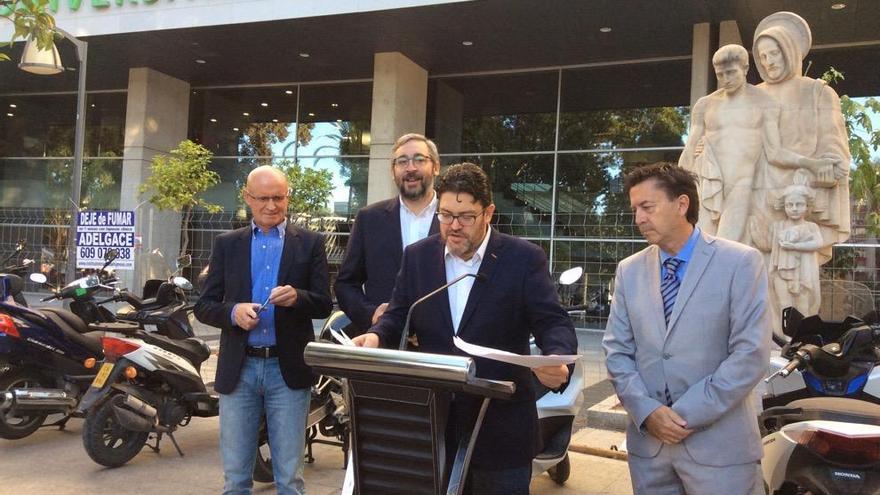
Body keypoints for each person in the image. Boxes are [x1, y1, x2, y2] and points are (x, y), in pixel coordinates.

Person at [352, 163, 578, 494]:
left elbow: (552, 319)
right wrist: (375, 336)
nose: (454, 226)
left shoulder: (523, 258)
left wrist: (556, 357)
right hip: (434, 423)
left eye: (465, 217)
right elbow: (399, 314)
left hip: (500, 425)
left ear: (488, 213)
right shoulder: (418, 257)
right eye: (445, 215)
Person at [603, 162, 771, 494]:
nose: (638, 218)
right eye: (635, 209)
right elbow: (616, 351)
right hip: (649, 451)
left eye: (647, 207)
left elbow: (750, 354)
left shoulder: (740, 262)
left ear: (682, 204)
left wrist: (683, 416)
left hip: (720, 452)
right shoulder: (629, 270)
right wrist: (648, 413)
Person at [194, 165, 332, 495]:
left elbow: (324, 304)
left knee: (289, 478)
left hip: (287, 370)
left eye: (278, 198)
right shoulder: (228, 244)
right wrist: (233, 312)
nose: (271, 206)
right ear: (247, 198)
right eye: (263, 198)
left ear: (288, 197)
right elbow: (204, 305)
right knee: (236, 478)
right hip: (239, 369)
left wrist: (298, 297)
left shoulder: (310, 243)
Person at [679, 43, 832, 245]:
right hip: (707, 182)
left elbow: (775, 152)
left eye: (731, 72)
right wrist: (677, 187)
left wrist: (811, 163)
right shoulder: (705, 104)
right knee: (700, 246)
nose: (726, 79)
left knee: (726, 248)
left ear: (745, 69)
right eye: (720, 74)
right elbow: (689, 150)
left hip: (741, 186)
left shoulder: (764, 102)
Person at [752, 11, 850, 262]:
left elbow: (834, 146)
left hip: (799, 187)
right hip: (757, 189)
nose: (768, 62)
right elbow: (734, 135)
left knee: (793, 263)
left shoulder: (818, 92)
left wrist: (825, 166)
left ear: (790, 51)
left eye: (774, 53)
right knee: (754, 260)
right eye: (762, 57)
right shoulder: (751, 95)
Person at [335, 133, 440, 334]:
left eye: (419, 159)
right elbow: (345, 284)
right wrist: (371, 313)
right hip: (384, 341)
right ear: (393, 171)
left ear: (436, 166)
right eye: (402, 162)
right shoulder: (369, 218)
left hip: (441, 345)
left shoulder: (453, 219)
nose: (410, 168)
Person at [751, 179, 823, 318]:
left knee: (803, 306)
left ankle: (802, 336)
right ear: (784, 206)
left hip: (803, 273)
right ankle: (787, 339)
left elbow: (818, 243)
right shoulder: (778, 226)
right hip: (781, 272)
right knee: (784, 305)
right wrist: (754, 233)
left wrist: (796, 246)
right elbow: (768, 246)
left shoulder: (811, 227)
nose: (794, 208)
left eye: (799, 204)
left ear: (807, 206)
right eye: (790, 205)